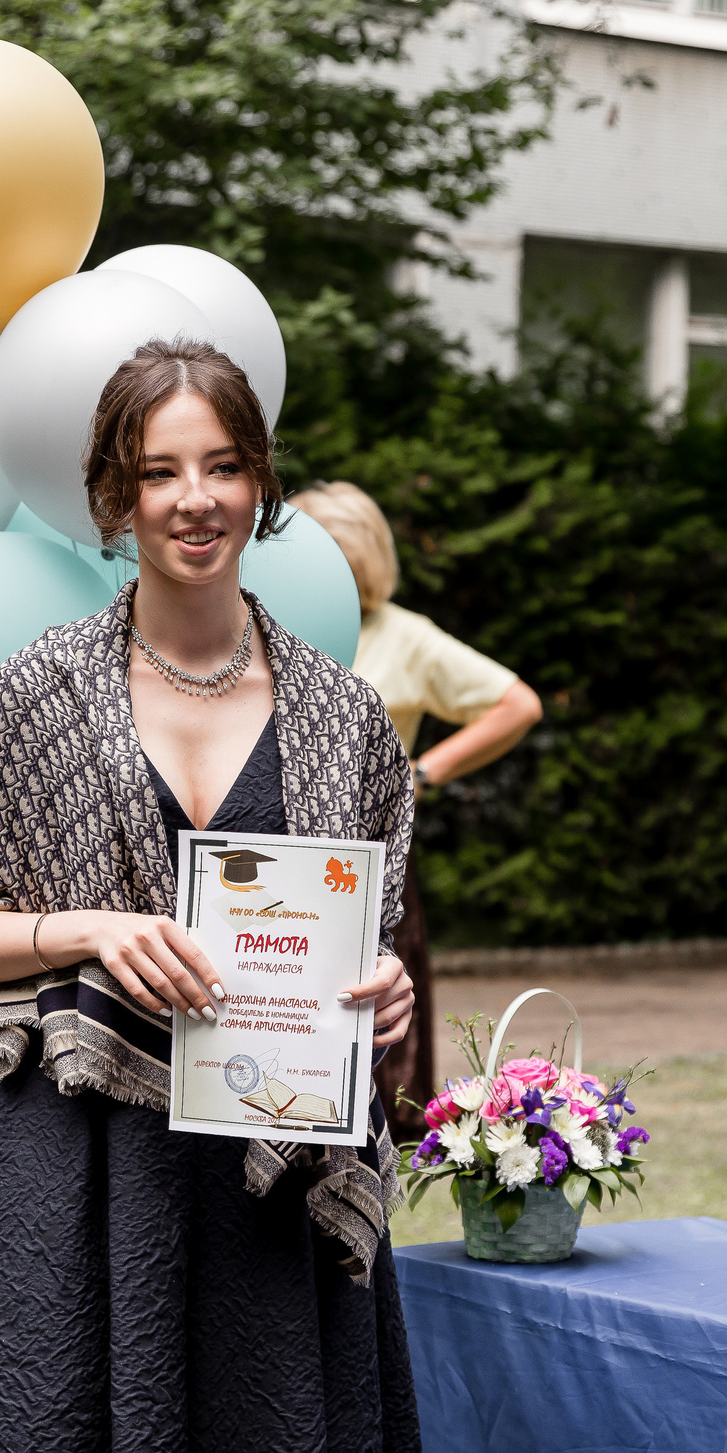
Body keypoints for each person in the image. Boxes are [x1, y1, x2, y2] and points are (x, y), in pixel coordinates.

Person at [0, 340, 429, 1453]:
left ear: (259, 483)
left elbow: (361, 934)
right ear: (114, 497)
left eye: (220, 466)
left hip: (268, 1189)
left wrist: (389, 990)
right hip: (66, 1176)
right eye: (159, 472)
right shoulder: (39, 691)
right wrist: (86, 929)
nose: (193, 498)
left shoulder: (342, 715)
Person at [288, 480, 541, 1134]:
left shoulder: (407, 636)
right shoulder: (270, 623)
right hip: (279, 862)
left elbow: (518, 703)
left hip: (371, 872)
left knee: (380, 1053)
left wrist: (422, 771)